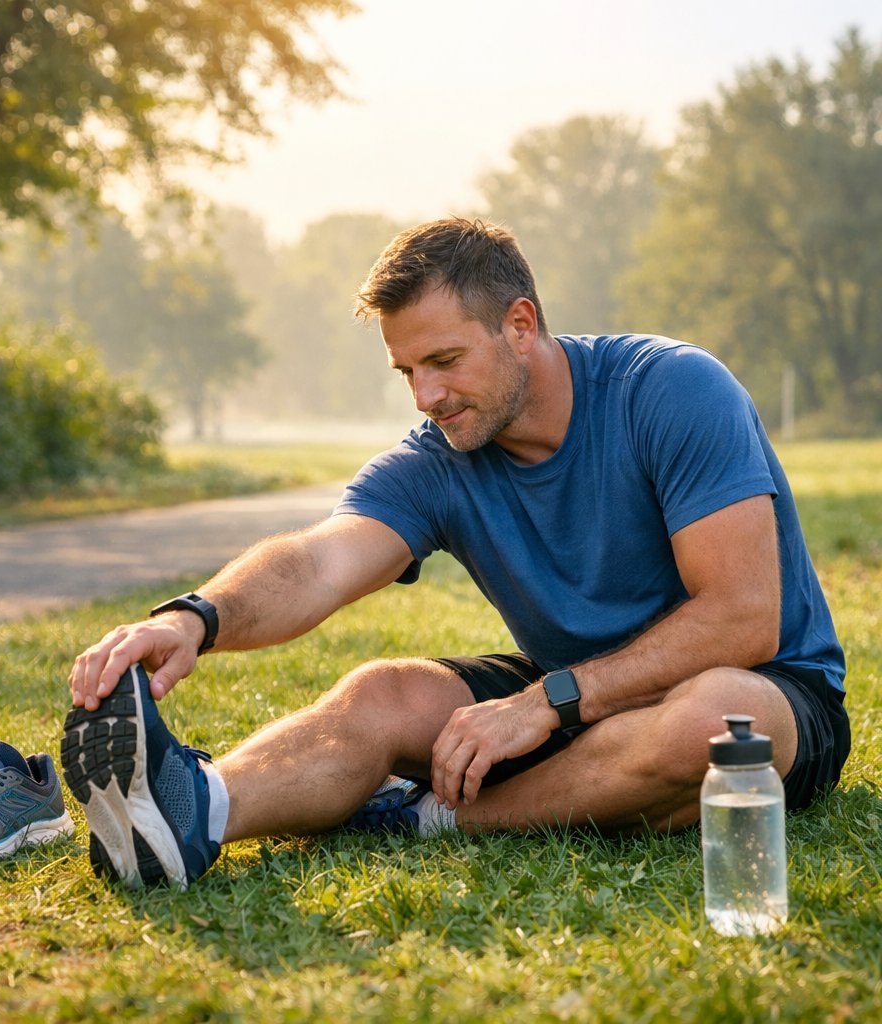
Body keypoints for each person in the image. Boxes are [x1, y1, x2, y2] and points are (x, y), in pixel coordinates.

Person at [62, 217, 849, 891]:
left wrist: (542, 705)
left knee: (710, 723)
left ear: (519, 324)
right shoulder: (440, 456)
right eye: (408, 371)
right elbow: (318, 563)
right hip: (572, 695)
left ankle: (431, 818)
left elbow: (744, 616)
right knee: (383, 691)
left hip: (764, 691)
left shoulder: (672, 390)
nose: (424, 397)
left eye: (443, 362)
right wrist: (196, 617)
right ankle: (193, 810)